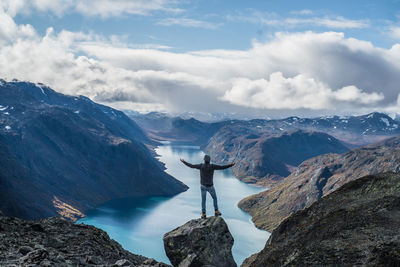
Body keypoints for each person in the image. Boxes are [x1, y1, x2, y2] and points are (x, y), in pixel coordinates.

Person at [180, 155, 235, 219]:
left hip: (203, 186)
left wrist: (184, 162)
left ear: (204, 160)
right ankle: (216, 211)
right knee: (214, 198)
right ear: (209, 160)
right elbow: (222, 167)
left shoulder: (201, 166)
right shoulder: (212, 166)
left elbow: (191, 166)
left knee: (203, 200)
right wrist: (230, 165)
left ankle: (203, 214)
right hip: (210, 186)